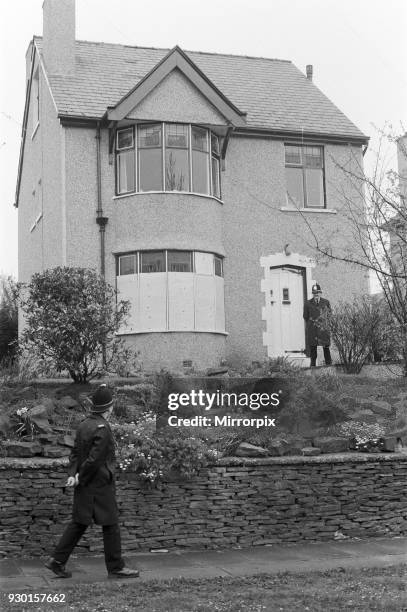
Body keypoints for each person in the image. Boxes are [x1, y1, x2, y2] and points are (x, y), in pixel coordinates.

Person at [45, 384, 139, 579]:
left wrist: (73, 474)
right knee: (111, 523)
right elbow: (95, 459)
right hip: (100, 484)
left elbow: (75, 454)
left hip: (86, 484)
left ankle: (57, 561)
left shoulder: (84, 424)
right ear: (109, 408)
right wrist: (79, 476)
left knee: (79, 522)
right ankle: (116, 567)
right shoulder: (102, 428)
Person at [303, 283, 332, 367]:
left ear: (320, 293)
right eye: (314, 292)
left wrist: (324, 324)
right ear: (313, 293)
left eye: (317, 292)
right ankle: (312, 368)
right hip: (312, 329)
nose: (316, 294)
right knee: (313, 350)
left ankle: (329, 367)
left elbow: (329, 315)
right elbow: (305, 316)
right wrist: (311, 324)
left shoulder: (326, 302)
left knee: (326, 349)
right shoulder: (307, 303)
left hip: (323, 329)